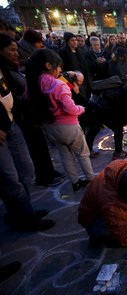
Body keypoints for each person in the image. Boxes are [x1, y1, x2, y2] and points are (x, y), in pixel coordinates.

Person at [0, 36, 55, 232]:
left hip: (11, 120)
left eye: (16, 49)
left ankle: (25, 210)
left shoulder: (9, 68)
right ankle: (24, 217)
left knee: (24, 169)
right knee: (10, 177)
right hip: (3, 126)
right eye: (11, 50)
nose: (16, 53)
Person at [26, 48, 95, 192]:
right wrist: (81, 109)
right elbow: (70, 108)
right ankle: (91, 180)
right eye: (58, 67)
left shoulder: (34, 83)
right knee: (82, 153)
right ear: (49, 66)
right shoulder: (58, 84)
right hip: (68, 126)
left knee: (65, 156)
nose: (60, 70)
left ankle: (75, 182)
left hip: (50, 126)